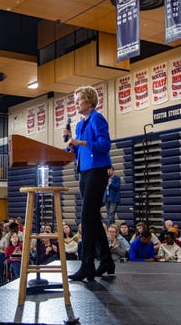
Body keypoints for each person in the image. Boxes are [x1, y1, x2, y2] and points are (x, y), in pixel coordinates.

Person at [64, 86, 114, 281]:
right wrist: (70, 147)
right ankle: (106, 260)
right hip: (84, 171)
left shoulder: (97, 118)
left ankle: (87, 264)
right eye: (75, 100)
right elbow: (78, 152)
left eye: (79, 99)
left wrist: (82, 143)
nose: (76, 103)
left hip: (98, 170)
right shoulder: (79, 125)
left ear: (90, 101)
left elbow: (105, 145)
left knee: (86, 217)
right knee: (92, 217)